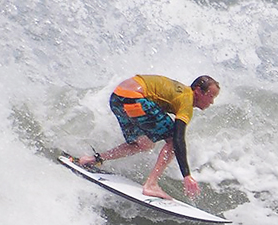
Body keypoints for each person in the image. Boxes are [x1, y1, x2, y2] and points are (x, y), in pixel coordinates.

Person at [77, 74, 220, 200]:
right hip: (134, 99)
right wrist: (187, 175)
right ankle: (151, 184)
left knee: (143, 144)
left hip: (117, 99)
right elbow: (178, 139)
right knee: (172, 140)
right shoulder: (186, 101)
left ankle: (92, 159)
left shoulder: (182, 92)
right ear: (198, 91)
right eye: (211, 96)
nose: (212, 102)